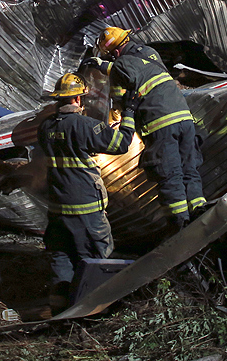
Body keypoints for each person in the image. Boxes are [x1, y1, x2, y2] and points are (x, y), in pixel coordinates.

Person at [89, 26, 205, 235]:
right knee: (189, 169)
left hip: (160, 124)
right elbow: (137, 68)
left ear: (114, 53)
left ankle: (180, 227)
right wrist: (108, 67)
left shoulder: (119, 66)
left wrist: (119, 118)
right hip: (185, 118)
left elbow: (120, 101)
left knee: (169, 175)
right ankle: (199, 210)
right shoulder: (151, 53)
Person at [37, 72, 136, 311]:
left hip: (57, 210)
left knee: (62, 258)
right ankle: (95, 310)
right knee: (95, 259)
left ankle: (61, 309)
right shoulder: (85, 126)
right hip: (86, 210)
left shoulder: (45, 128)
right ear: (78, 100)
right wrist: (129, 113)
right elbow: (121, 143)